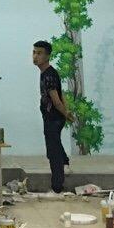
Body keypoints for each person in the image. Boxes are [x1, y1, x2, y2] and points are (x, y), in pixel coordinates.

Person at [33, 40, 74, 195]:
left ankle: (57, 186)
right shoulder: (47, 72)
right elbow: (61, 94)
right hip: (52, 117)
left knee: (53, 152)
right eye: (34, 52)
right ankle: (65, 162)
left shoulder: (49, 75)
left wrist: (65, 113)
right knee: (54, 145)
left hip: (53, 118)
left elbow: (56, 100)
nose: (35, 56)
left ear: (48, 56)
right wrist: (66, 111)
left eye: (39, 53)